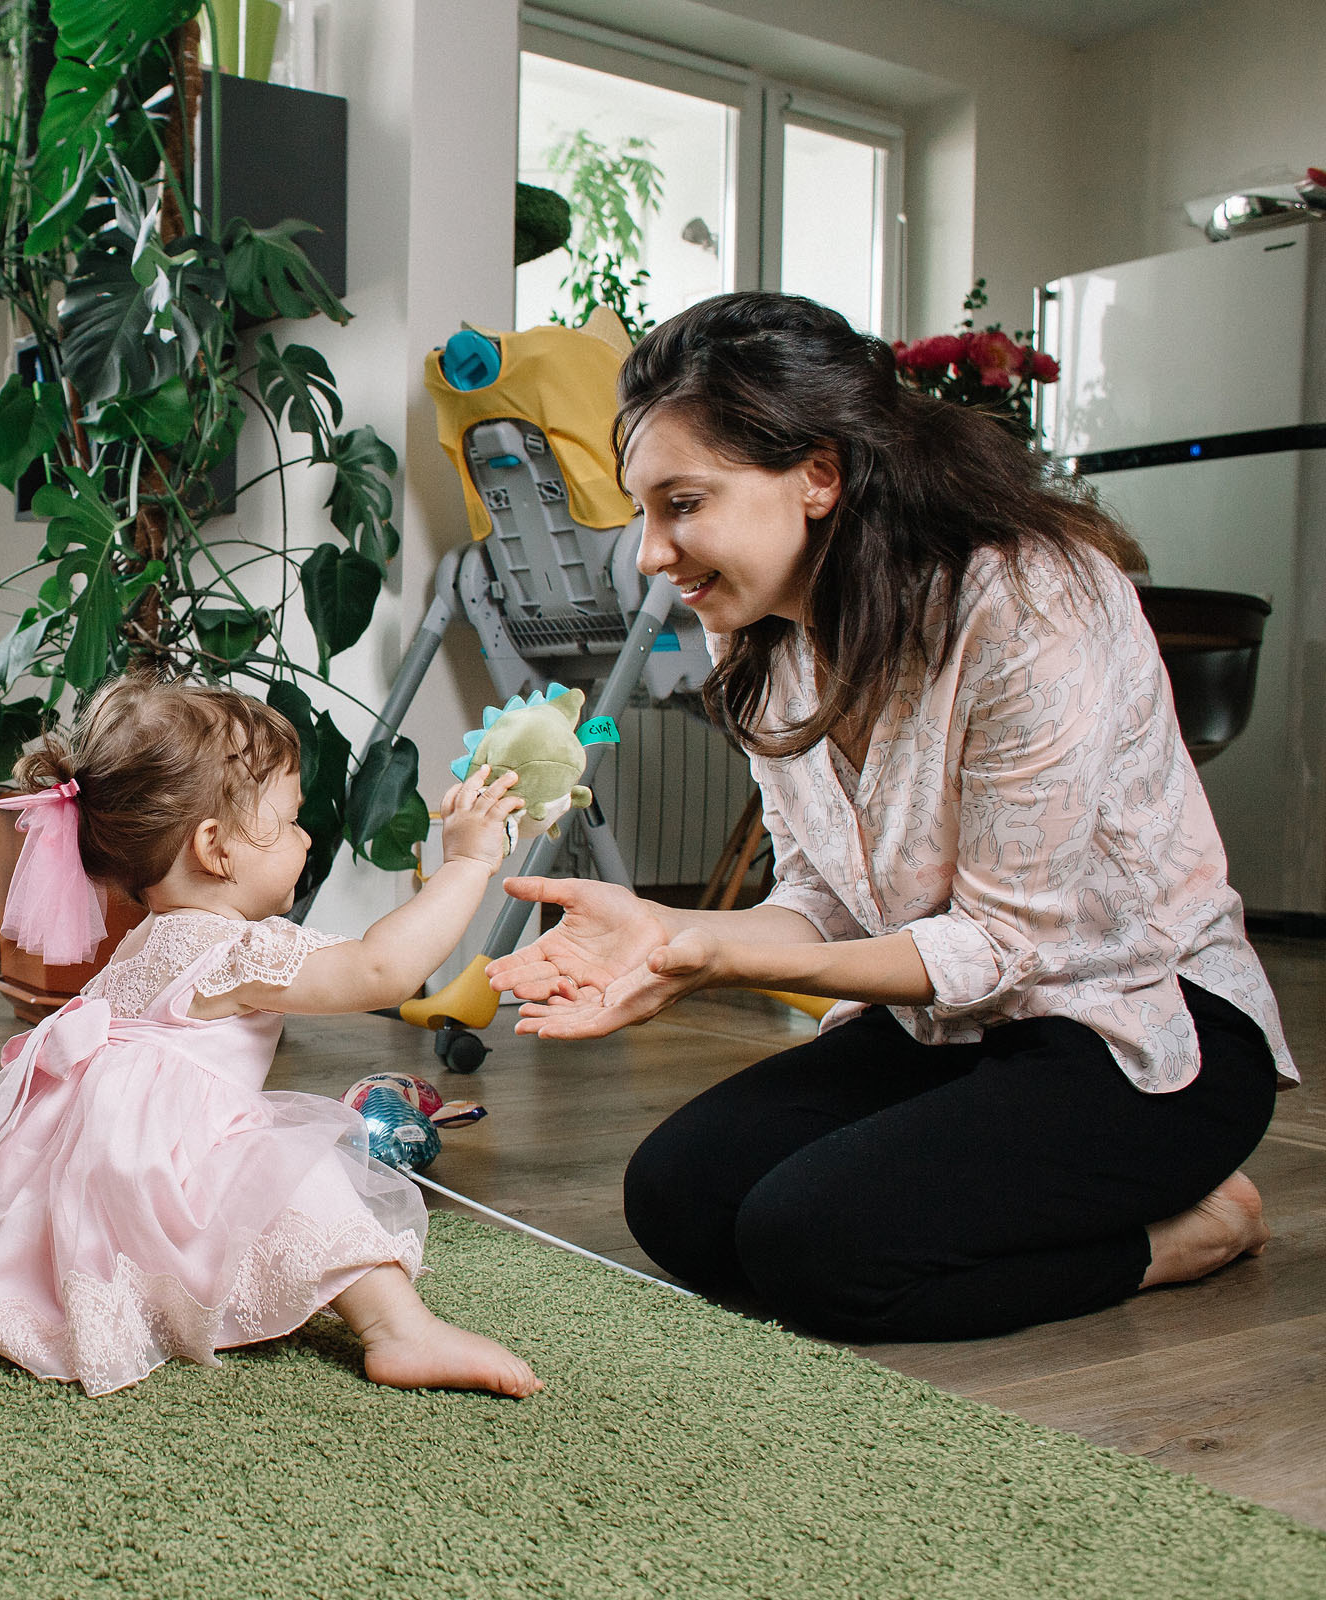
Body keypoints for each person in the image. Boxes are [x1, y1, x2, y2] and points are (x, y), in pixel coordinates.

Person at [487, 291, 1295, 1345]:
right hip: (957, 1023)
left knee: (816, 1252)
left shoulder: (1033, 602)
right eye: (644, 510)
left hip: (1143, 1031)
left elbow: (1012, 945)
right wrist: (672, 934)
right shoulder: (768, 636)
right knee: (678, 1202)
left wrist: (710, 958)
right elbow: (822, 900)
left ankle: (1181, 1235)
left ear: (819, 473)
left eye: (681, 503)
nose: (649, 553)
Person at [0, 678, 543, 1398]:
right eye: (289, 822)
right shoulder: (233, 951)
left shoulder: (144, 942)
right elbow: (383, 969)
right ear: (216, 848)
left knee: (248, 1152)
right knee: (292, 1164)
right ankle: (397, 1330)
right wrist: (469, 863)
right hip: (151, 1171)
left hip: (89, 1176)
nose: (306, 836)